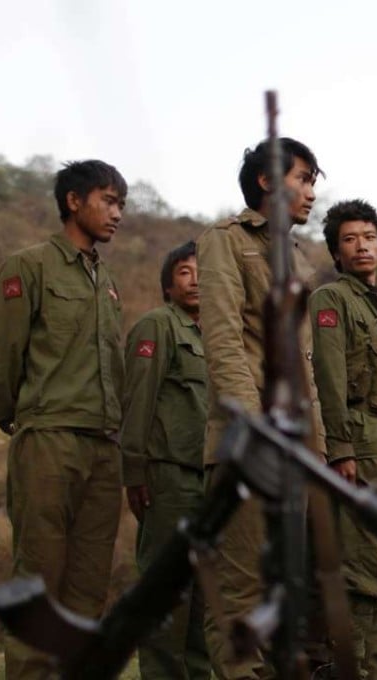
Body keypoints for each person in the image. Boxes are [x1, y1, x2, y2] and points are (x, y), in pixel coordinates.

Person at [0, 160, 128, 679]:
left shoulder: (107, 282)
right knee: (39, 579)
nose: (117, 214)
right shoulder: (30, 265)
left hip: (105, 447)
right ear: (73, 201)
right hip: (49, 440)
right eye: (108, 201)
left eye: (121, 205)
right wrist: (19, 420)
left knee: (88, 588)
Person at [197, 138, 326, 679]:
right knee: (242, 583)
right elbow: (224, 339)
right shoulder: (225, 242)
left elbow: (304, 363)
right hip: (250, 436)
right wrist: (253, 428)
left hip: (297, 441)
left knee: (285, 580)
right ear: (268, 182)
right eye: (303, 179)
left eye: (315, 182)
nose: (312, 193)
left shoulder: (297, 256)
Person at [309, 200, 377, 679]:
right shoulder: (332, 300)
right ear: (336, 250)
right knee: (368, 571)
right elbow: (329, 380)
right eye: (350, 239)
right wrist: (341, 450)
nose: (362, 246)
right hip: (365, 447)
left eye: (370, 237)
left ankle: (376, 668)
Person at [120, 241, 209, 679]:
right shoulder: (157, 326)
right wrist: (135, 470)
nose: (195, 280)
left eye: (202, 272)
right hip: (168, 477)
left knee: (205, 599)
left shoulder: (216, 337)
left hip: (211, 481)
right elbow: (137, 401)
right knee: (166, 592)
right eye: (184, 272)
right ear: (168, 285)